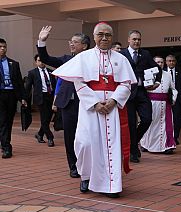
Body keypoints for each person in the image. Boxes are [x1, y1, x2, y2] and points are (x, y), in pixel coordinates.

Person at [52, 22, 137, 198]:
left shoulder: (121, 59)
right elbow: (79, 82)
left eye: (108, 35)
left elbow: (126, 84)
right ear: (95, 36)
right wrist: (95, 103)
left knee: (110, 146)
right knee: (85, 143)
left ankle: (111, 185)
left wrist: (114, 100)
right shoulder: (84, 57)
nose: (104, 38)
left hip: (112, 108)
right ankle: (86, 176)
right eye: (100, 34)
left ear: (112, 37)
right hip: (90, 108)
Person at [37, 26, 90, 178]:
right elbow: (46, 59)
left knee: (87, 137)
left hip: (88, 104)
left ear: (84, 45)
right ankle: (73, 166)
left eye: (75, 42)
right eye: (70, 41)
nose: (71, 44)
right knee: (70, 136)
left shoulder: (93, 59)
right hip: (69, 104)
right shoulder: (66, 60)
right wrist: (41, 41)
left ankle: (86, 164)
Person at [120, 30, 161, 163]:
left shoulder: (146, 54)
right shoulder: (121, 55)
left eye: (139, 39)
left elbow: (157, 69)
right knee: (131, 123)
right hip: (127, 94)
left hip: (142, 92)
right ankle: (133, 151)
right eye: (134, 39)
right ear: (128, 40)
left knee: (147, 119)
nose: (136, 41)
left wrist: (157, 82)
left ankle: (134, 142)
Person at [140, 56, 177, 154]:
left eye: (161, 62)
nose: (159, 64)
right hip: (151, 103)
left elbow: (173, 89)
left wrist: (173, 98)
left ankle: (165, 146)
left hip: (165, 104)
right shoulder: (148, 74)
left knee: (165, 125)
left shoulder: (168, 75)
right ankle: (146, 145)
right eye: (157, 62)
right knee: (150, 124)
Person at [0, 38, 27, 159]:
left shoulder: (14, 64)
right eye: (0, 47)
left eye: (4, 47)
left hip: (11, 94)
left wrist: (23, 98)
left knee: (8, 120)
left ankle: (5, 144)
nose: (3, 49)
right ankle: (6, 146)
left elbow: (19, 83)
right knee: (2, 120)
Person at [26, 54, 57, 147]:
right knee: (44, 119)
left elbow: (55, 85)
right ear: (36, 62)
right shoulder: (32, 73)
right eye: (39, 60)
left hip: (51, 96)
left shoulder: (51, 72)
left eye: (43, 60)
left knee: (48, 118)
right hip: (41, 97)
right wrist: (24, 98)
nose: (41, 62)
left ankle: (39, 134)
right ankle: (50, 137)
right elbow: (28, 87)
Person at [164, 54, 181, 145]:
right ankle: (166, 137)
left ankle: (175, 137)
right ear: (166, 62)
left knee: (176, 119)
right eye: (169, 61)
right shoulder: (162, 72)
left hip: (177, 99)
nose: (171, 62)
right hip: (165, 99)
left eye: (173, 61)